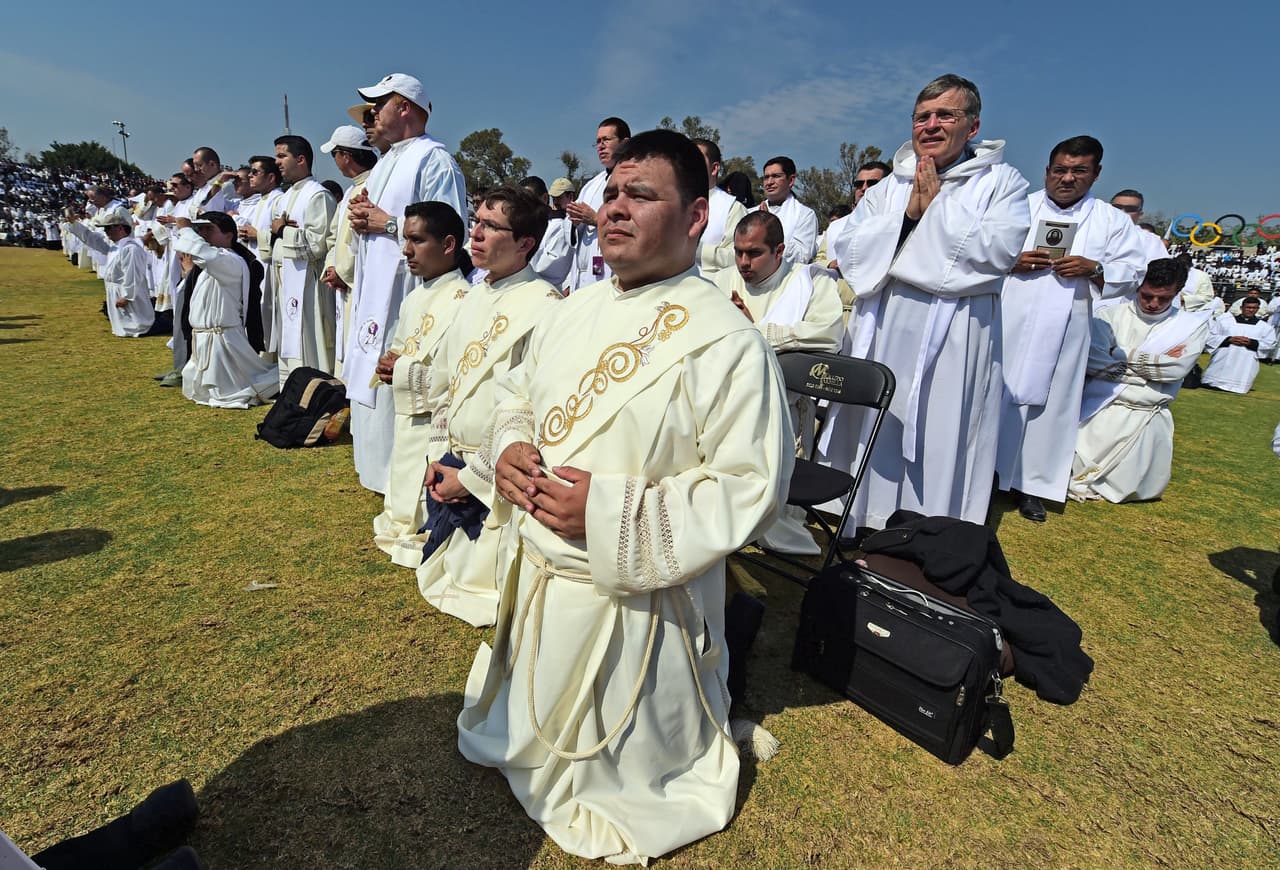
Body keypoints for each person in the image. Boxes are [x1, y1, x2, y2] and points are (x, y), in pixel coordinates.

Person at [457, 129, 793, 866]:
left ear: (696, 218)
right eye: (611, 193)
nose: (614, 208)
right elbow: (518, 393)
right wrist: (511, 447)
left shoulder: (728, 343)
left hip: (636, 606)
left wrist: (609, 515)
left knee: (617, 781)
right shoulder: (573, 310)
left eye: (640, 195)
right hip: (543, 586)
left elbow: (752, 488)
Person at [817, 73, 1031, 532]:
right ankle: (863, 517)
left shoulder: (1002, 183)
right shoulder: (890, 185)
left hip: (954, 332)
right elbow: (851, 244)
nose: (930, 125)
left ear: (972, 127)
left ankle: (931, 529)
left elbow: (999, 251)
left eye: (945, 115)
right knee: (876, 425)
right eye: (922, 116)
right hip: (886, 323)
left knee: (941, 427)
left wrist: (936, 211)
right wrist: (910, 216)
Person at [414, 186, 560, 627]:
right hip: (454, 456)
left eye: (491, 226)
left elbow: (524, 409)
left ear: (525, 244)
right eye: (476, 221)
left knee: (482, 588)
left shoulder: (545, 307)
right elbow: (447, 382)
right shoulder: (475, 294)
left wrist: (472, 476)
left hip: (494, 471)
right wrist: (439, 455)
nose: (474, 234)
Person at [995, 135, 1148, 522]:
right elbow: (984, 253)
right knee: (996, 394)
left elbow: (1133, 271)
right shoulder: (1018, 207)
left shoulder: (1110, 220)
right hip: (1009, 316)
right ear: (1047, 172)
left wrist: (1094, 269)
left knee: (1054, 404)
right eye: (1060, 170)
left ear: (1095, 175)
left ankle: (1033, 485)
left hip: (1068, 325)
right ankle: (989, 475)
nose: (1067, 179)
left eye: (1078, 171)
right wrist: (1012, 262)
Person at [345, 73, 468, 495]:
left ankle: (407, 480)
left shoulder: (434, 160)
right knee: (372, 366)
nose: (372, 113)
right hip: (378, 287)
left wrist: (387, 223)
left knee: (400, 375)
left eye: (379, 103)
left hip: (409, 293)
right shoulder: (386, 162)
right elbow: (378, 221)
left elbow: (452, 230)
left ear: (405, 108)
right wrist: (363, 218)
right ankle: (376, 470)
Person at [715, 210, 842, 553]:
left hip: (783, 405)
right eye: (739, 252)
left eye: (754, 253)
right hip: (725, 400)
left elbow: (829, 335)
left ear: (779, 250)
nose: (743, 262)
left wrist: (756, 330)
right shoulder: (720, 281)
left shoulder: (808, 282)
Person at [371, 201, 472, 567]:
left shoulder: (466, 301)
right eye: (405, 239)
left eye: (417, 240)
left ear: (448, 245)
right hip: (407, 416)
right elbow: (402, 350)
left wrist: (404, 370)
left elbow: (461, 376)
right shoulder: (415, 296)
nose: (406, 250)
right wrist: (390, 367)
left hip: (436, 425)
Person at [1069, 259, 1211, 502]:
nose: (1153, 304)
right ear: (1138, 286)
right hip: (1103, 407)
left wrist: (1121, 352)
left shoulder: (1190, 326)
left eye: (1163, 298)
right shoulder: (1108, 315)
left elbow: (1176, 369)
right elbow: (1094, 361)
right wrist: (1147, 368)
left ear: (1176, 293)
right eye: (1147, 296)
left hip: (1147, 413)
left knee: (1130, 487)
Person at [171, 212, 279, 408]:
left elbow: (205, 255)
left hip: (222, 338)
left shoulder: (231, 261)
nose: (202, 234)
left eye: (209, 229)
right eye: (199, 229)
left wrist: (186, 229)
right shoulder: (211, 264)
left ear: (229, 235)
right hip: (205, 338)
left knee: (233, 391)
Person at [269, 134, 336, 387]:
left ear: (301, 159)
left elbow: (317, 245)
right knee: (290, 341)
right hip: (286, 281)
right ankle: (292, 394)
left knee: (309, 341)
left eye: (281, 156)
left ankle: (314, 395)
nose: (277, 162)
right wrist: (275, 233)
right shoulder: (284, 197)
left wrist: (281, 231)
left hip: (308, 285)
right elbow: (274, 238)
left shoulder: (318, 195)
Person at [318, 125, 378, 378]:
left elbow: (365, 240)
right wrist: (332, 268)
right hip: (344, 281)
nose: (335, 161)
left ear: (346, 155)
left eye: (335, 154)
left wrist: (344, 272)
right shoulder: (348, 193)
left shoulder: (374, 185)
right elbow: (334, 237)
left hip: (360, 282)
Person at [65, 205, 157, 337]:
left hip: (125, 290)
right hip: (115, 289)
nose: (106, 232)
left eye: (109, 228)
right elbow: (92, 239)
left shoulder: (130, 248)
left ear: (120, 228)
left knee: (136, 321)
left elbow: (133, 275)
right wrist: (74, 224)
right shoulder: (115, 247)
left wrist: (127, 296)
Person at [564, 117, 629, 293]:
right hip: (584, 273)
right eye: (598, 142)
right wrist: (574, 221)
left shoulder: (634, 180)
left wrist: (595, 219)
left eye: (606, 140)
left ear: (625, 143)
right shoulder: (592, 185)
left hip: (612, 272)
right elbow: (569, 229)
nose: (600, 146)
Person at [693, 137, 746, 277]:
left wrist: (692, 248)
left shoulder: (733, 208)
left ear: (714, 168)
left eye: (696, 159)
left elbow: (737, 258)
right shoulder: (671, 201)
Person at [1201, 297, 1276, 393]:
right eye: (1248, 307)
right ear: (1241, 308)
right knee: (1216, 377)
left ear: (1258, 309)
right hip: (1224, 355)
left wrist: (1252, 343)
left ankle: (1238, 387)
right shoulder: (1225, 322)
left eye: (1254, 308)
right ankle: (1213, 382)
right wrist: (1229, 339)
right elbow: (1210, 337)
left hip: (1246, 359)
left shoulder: (1265, 327)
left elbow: (1270, 344)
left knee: (1242, 374)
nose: (1251, 310)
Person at [758, 155, 818, 263]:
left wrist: (770, 229)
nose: (769, 182)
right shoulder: (750, 212)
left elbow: (802, 256)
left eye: (776, 176)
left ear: (790, 180)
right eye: (766, 177)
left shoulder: (805, 215)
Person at [528, 176, 575, 286]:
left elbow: (553, 262)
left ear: (571, 196)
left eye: (559, 197)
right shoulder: (547, 221)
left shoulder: (565, 224)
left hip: (549, 286)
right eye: (553, 197)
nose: (555, 201)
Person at [1109, 188, 1168, 268]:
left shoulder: (1151, 241)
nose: (1122, 212)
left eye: (1130, 209)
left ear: (1140, 214)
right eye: (1117, 207)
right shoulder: (1091, 229)